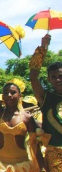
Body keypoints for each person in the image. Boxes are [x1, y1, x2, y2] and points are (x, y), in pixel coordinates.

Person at [0, 46, 43, 171]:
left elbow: (35, 146)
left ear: (19, 95)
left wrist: (43, 168)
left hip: (21, 165)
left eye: (13, 92)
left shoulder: (27, 118)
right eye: (6, 92)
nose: (9, 95)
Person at [28, 34, 62, 171]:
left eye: (61, 76)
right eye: (54, 77)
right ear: (48, 79)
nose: (58, 80)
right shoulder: (46, 98)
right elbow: (33, 76)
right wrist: (43, 48)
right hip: (54, 155)